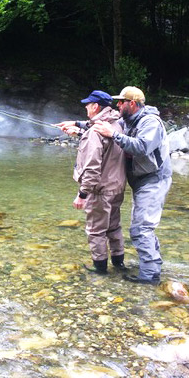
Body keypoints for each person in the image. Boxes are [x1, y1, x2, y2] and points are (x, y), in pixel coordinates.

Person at [93, 86, 172, 285]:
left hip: (154, 179)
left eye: (121, 102)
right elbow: (106, 126)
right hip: (140, 179)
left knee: (141, 229)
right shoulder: (127, 120)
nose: (117, 105)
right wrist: (77, 126)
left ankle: (150, 277)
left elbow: (142, 147)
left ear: (132, 104)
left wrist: (114, 135)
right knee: (142, 226)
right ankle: (152, 265)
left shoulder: (150, 122)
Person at [56, 90, 127, 274]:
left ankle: (100, 269)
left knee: (96, 231)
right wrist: (79, 130)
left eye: (87, 105)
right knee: (113, 227)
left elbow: (93, 168)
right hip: (117, 188)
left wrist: (82, 194)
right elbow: (104, 144)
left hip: (100, 191)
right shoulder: (116, 124)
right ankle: (119, 265)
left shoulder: (94, 133)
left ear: (95, 107)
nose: (86, 108)